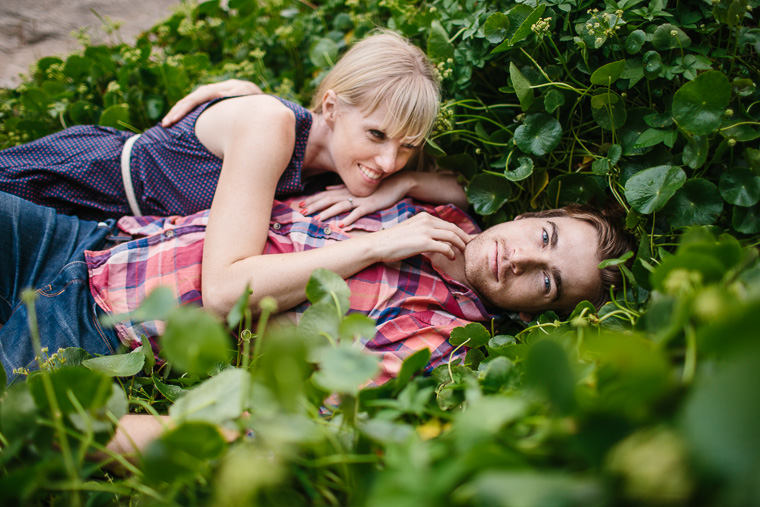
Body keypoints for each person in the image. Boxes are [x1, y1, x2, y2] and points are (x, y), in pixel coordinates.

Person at [0, 188, 632, 386]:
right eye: (544, 238)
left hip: (91, 331)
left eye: (547, 284)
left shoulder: (440, 336)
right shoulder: (448, 213)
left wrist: (375, 246)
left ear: (538, 315)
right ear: (529, 216)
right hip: (87, 242)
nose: (519, 261)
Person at [0, 30, 466, 225]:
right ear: (331, 106)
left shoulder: (334, 172)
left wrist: (401, 183)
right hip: (78, 179)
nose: (388, 161)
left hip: (92, 233)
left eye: (407, 147)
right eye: (377, 135)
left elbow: (462, 190)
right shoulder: (272, 124)